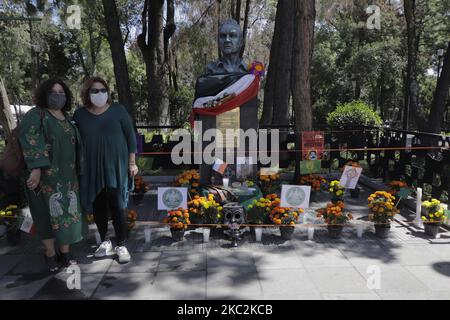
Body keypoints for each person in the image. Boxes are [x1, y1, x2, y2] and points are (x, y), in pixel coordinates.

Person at [19, 79, 84, 272]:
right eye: (53, 92)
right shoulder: (36, 115)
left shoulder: (67, 117)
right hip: (43, 177)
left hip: (68, 176)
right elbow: (31, 140)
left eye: (61, 91)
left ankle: (65, 252)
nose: (58, 95)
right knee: (46, 215)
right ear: (44, 94)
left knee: (68, 213)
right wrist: (36, 169)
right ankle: (49, 253)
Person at [73, 77, 137, 264]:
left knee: (119, 204)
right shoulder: (80, 115)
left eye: (102, 90)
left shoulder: (118, 110)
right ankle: (105, 241)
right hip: (92, 168)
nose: (99, 93)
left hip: (117, 165)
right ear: (87, 93)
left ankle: (122, 244)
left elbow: (130, 137)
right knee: (98, 205)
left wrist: (132, 163)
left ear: (108, 91)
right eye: (94, 90)